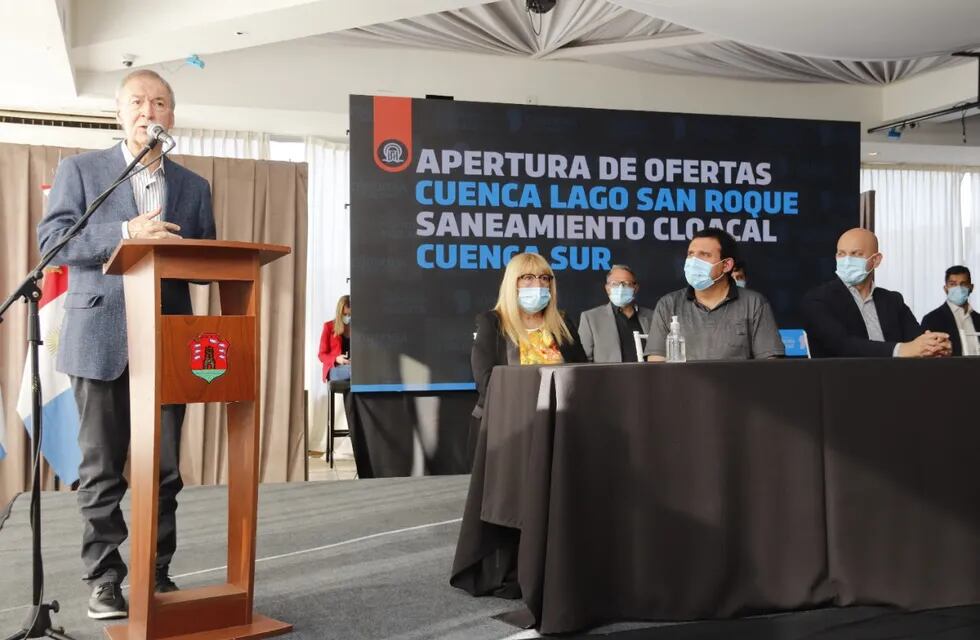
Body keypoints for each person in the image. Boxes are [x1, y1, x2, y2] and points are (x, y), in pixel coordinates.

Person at [36, 69, 216, 620]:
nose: (149, 110)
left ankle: (157, 570)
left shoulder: (194, 186)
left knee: (164, 470)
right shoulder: (83, 171)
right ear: (119, 113)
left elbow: (209, 259)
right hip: (99, 338)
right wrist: (123, 234)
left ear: (172, 117)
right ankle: (105, 577)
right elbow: (53, 243)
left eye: (160, 103)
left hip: (167, 340)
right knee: (102, 468)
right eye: (137, 101)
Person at [469, 252, 587, 456]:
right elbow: (486, 381)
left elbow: (582, 372)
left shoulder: (562, 323)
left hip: (559, 426)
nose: (538, 285)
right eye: (528, 278)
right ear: (512, 284)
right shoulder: (492, 323)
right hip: (507, 428)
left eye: (544, 278)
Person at [801, 227, 951, 358]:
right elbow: (842, 345)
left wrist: (935, 345)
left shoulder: (892, 300)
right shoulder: (818, 300)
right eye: (841, 254)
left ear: (876, 260)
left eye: (856, 254)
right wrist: (902, 350)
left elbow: (916, 338)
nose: (847, 261)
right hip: (844, 384)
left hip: (897, 381)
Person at [644, 229, 784, 361]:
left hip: (737, 386)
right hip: (682, 386)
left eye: (704, 254)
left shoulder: (754, 303)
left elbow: (769, 363)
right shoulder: (668, 304)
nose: (694, 261)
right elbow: (656, 363)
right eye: (691, 253)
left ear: (726, 265)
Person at [578, 264, 655, 362]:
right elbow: (583, 361)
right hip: (607, 377)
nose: (621, 288)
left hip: (647, 376)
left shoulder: (652, 317)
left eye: (626, 284)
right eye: (614, 284)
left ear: (636, 288)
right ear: (607, 288)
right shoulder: (590, 319)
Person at [920, 266, 980, 356]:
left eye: (963, 284)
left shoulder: (978, 319)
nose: (958, 288)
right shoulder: (931, 320)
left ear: (971, 287)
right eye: (953, 284)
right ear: (945, 288)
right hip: (949, 369)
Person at [319, 295, 352, 382]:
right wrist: (336, 359)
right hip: (334, 368)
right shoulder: (328, 327)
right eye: (345, 314)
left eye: (350, 314)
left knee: (359, 371)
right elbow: (321, 355)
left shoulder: (356, 329)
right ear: (339, 313)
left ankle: (351, 396)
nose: (348, 317)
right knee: (354, 372)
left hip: (351, 366)